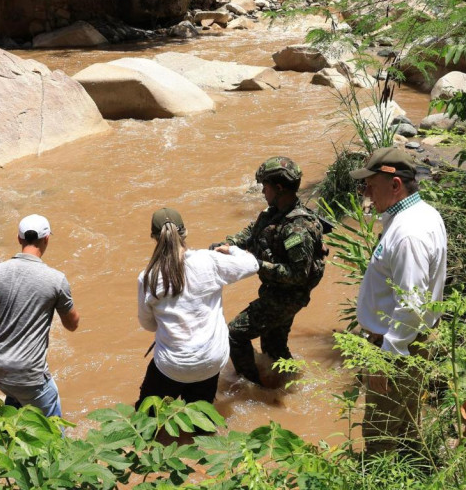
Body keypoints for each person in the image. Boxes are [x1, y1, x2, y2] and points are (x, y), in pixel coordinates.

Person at [349, 146, 448, 455]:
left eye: (371, 184)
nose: (365, 191)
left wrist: (385, 357)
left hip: (397, 347)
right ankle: (415, 471)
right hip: (408, 342)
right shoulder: (419, 215)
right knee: (404, 426)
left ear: (395, 185)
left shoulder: (409, 233)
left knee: (380, 435)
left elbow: (411, 303)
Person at [213, 157, 327, 386]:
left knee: (234, 334)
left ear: (279, 188)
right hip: (275, 292)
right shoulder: (274, 212)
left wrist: (255, 264)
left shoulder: (298, 228)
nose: (262, 191)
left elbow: (298, 274)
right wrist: (228, 245)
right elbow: (252, 233)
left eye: (265, 187)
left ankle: (253, 386)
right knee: (273, 346)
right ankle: (292, 385)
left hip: (287, 297)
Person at [136, 208, 258, 407]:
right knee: (201, 421)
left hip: (171, 365)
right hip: (210, 360)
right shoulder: (209, 260)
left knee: (145, 419)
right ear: (185, 233)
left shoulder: (148, 277)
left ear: (154, 237)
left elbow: (148, 325)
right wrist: (231, 249)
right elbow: (252, 264)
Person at [0, 214, 80, 418]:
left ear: (19, 239)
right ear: (47, 239)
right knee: (53, 426)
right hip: (27, 373)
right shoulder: (56, 280)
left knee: (16, 393)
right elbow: (72, 325)